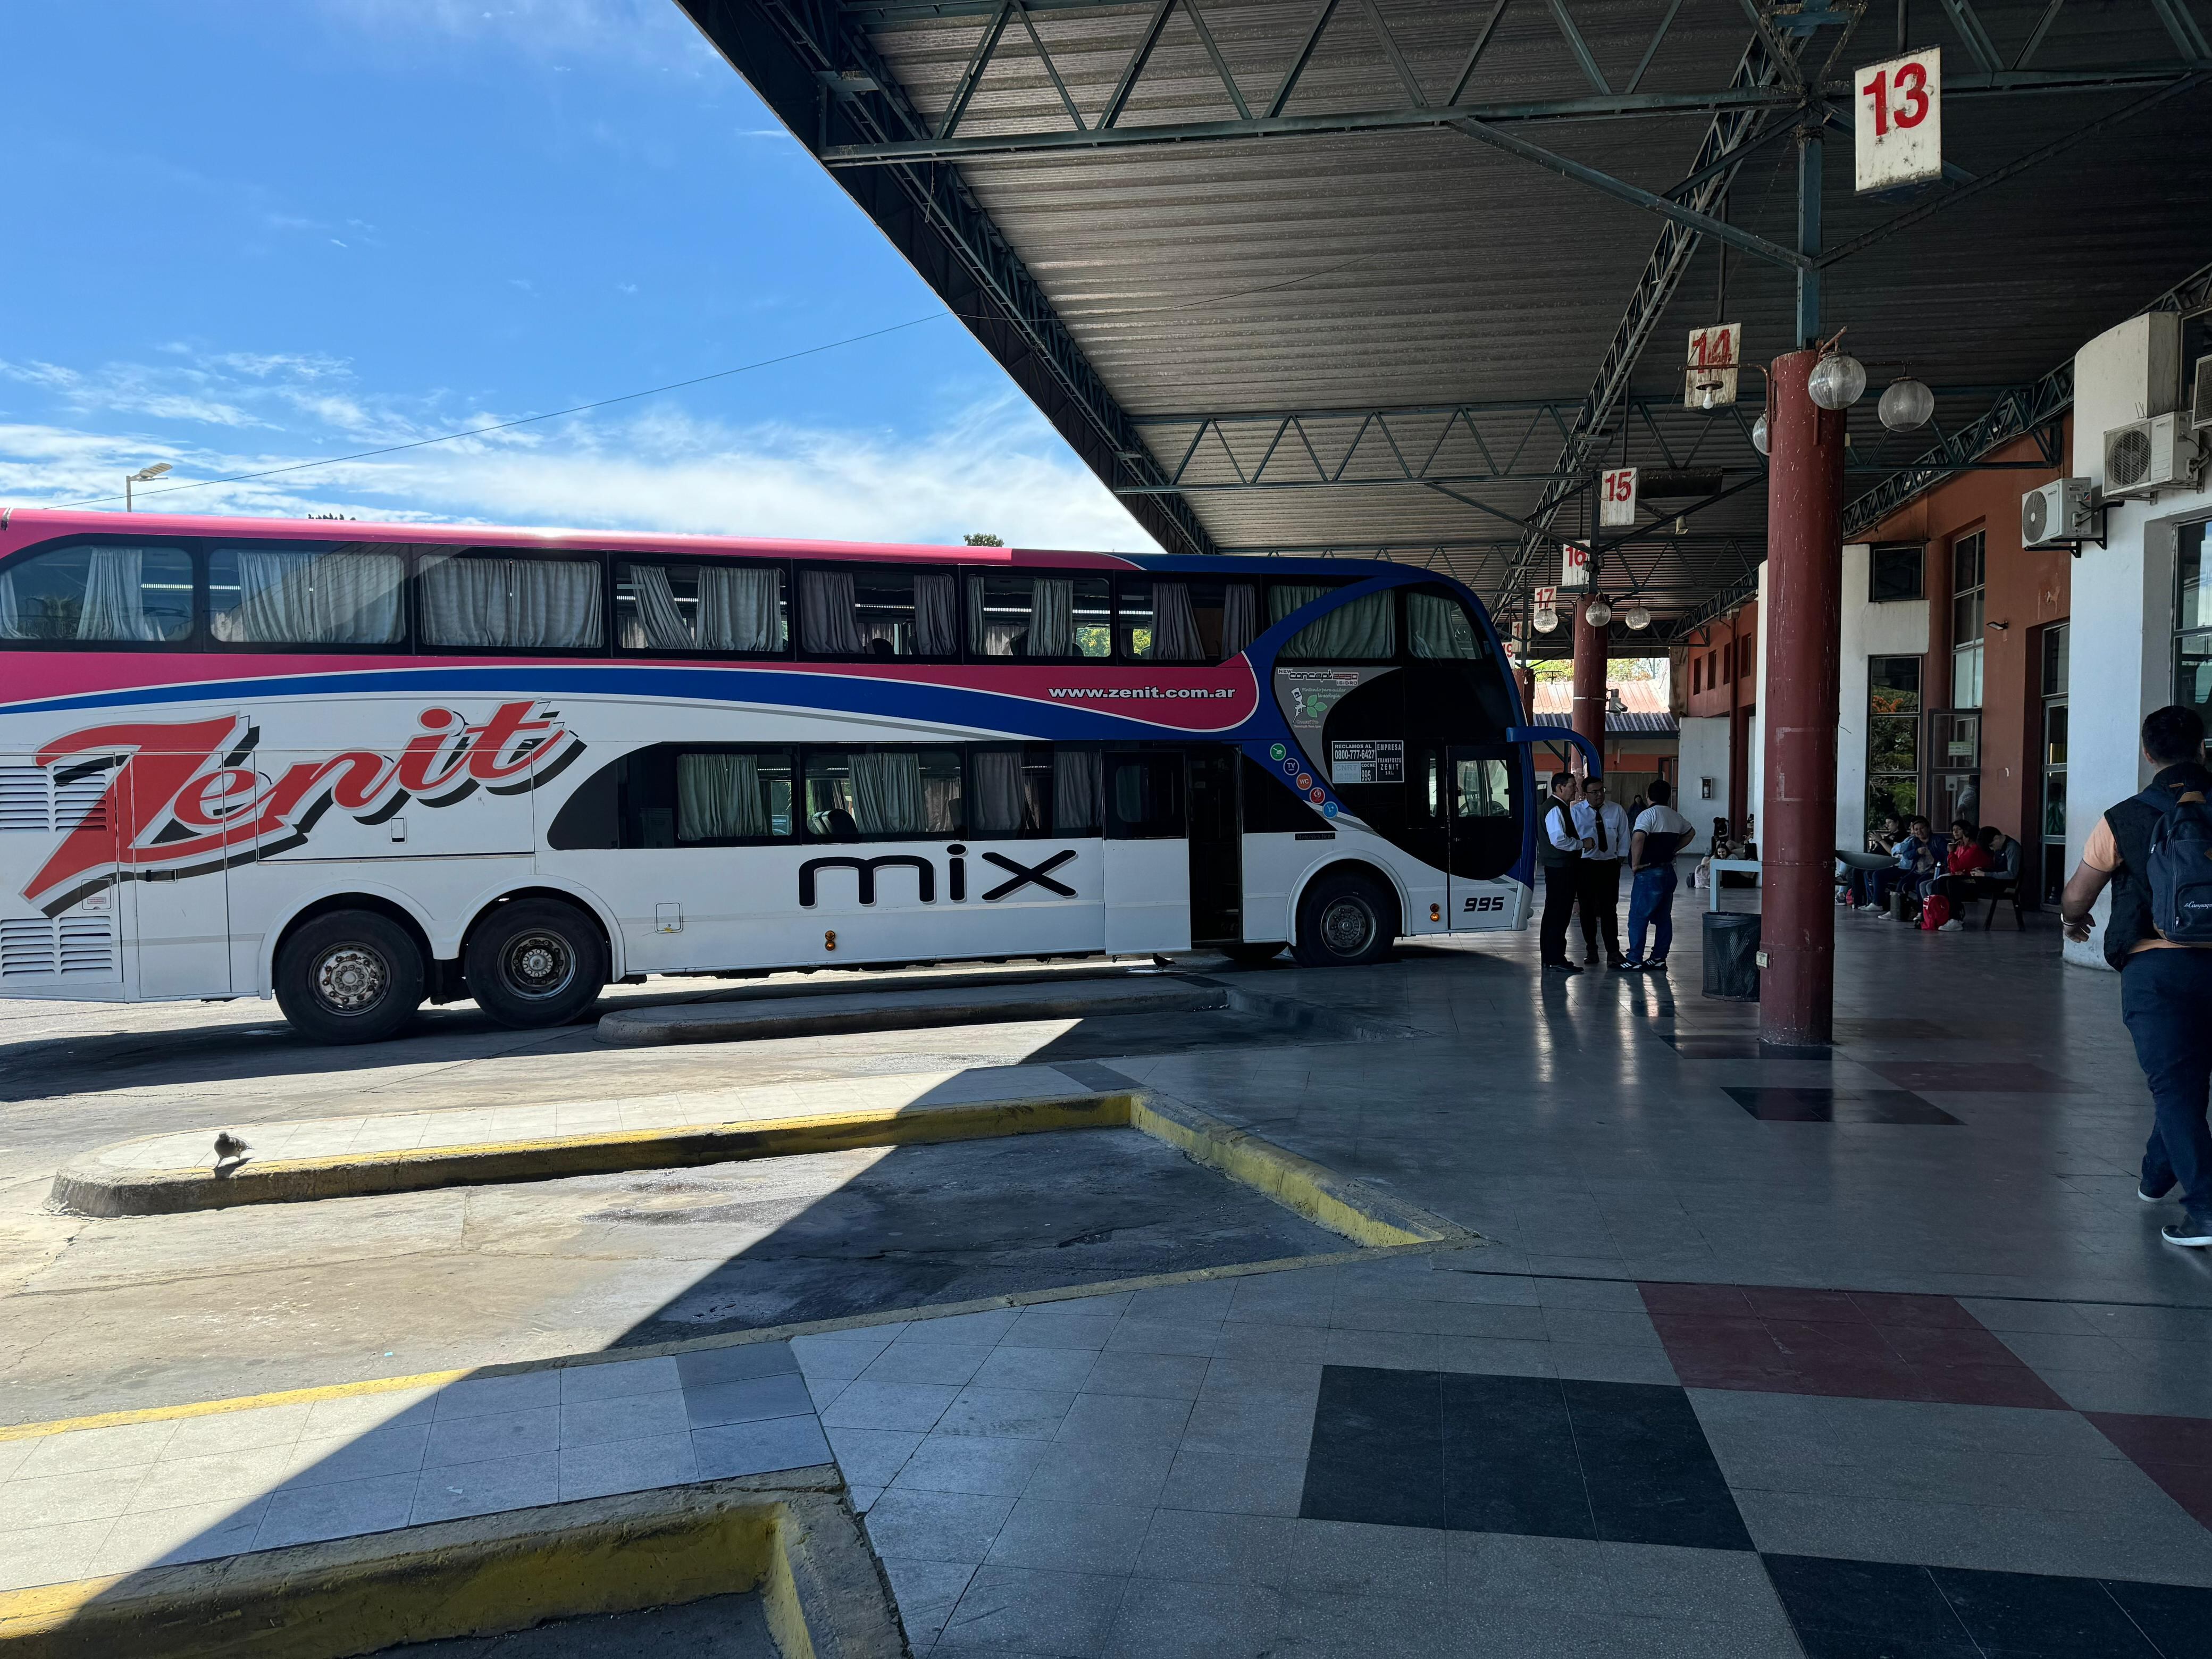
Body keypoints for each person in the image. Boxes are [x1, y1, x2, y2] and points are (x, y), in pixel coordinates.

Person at [2060, 706, 2212, 1249]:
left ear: (2147, 753)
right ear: (2200, 748)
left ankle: (2204, 1209)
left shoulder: (2123, 816)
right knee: (2183, 1085)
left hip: (2155, 966)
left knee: (2174, 1083)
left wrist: (2072, 921)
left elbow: (2078, 892)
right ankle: (2155, 1176)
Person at [1622, 779, 1694, 971]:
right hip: (1668, 872)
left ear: (1648, 795)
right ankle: (1659, 957)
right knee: (1663, 918)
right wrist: (1673, 849)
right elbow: (1690, 833)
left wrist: (1636, 863)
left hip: (1649, 873)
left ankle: (1635, 958)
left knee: (1638, 916)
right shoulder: (1675, 816)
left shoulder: (1648, 815)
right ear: (1668, 797)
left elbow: (1638, 838)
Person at [1572, 775, 1632, 968]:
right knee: (1587, 910)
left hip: (1609, 865)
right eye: (1595, 792)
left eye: (1602, 791)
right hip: (1585, 865)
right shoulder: (1576, 813)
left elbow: (1624, 835)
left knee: (1609, 909)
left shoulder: (1616, 810)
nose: (1599, 795)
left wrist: (1619, 860)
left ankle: (1613, 952)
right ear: (1585, 794)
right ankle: (1591, 950)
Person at [1538, 772, 1587, 975]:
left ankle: (1551, 957)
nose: (1576, 789)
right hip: (1560, 868)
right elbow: (1559, 840)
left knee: (1555, 913)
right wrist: (1582, 844)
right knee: (1558, 913)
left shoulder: (1557, 807)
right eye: (1572, 785)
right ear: (1559, 788)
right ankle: (1554, 958)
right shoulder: (1555, 809)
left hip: (1559, 867)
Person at [1929, 817, 1993, 929]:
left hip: (1980, 880)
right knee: (1940, 882)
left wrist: (1951, 853)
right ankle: (1941, 915)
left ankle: (1956, 917)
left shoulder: (1975, 849)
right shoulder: (1964, 847)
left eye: (1964, 836)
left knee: (1951, 883)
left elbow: (1956, 866)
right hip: (1970, 877)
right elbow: (1956, 869)